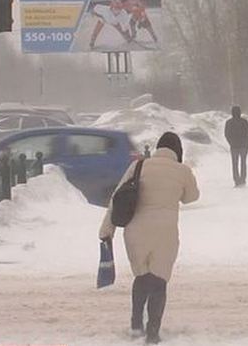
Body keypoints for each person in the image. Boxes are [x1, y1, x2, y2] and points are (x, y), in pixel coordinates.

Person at [99, 132, 200, 344]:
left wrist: (106, 230)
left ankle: (136, 326)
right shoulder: (182, 171)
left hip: (135, 232)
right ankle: (152, 332)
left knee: (142, 278)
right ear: (177, 150)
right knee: (159, 281)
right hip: (165, 234)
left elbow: (116, 198)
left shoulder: (138, 166)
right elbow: (191, 197)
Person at [224, 106, 248, 187]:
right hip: (243, 146)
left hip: (234, 146)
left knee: (234, 164)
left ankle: (237, 181)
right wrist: (247, 143)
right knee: (243, 163)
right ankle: (243, 180)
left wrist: (230, 142)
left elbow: (227, 134)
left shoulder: (229, 122)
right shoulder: (244, 122)